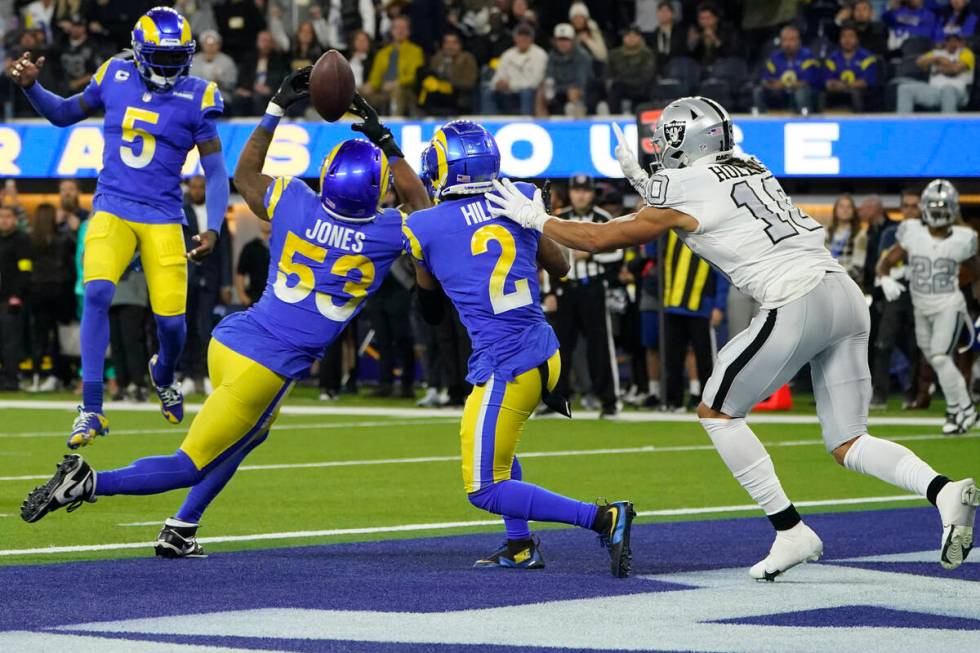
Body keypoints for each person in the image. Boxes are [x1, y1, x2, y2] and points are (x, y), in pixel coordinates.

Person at [486, 96, 979, 578]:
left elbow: (603, 237)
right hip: (843, 295)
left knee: (717, 412)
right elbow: (688, 209)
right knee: (849, 440)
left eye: (667, 139)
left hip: (796, 298)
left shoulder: (684, 183)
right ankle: (942, 490)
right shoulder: (750, 163)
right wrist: (640, 178)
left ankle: (790, 530)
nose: (661, 148)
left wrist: (538, 220)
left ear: (686, 141)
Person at [20, 78, 431, 560]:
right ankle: (87, 482)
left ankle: (182, 526)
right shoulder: (389, 231)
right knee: (190, 462)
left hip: (232, 338)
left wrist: (276, 107)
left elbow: (246, 173)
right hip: (268, 367)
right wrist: (386, 141)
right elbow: (420, 203)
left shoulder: (296, 200)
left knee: (253, 433)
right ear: (377, 193)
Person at [404, 120, 635, 577]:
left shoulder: (423, 226)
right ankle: (520, 545)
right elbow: (562, 265)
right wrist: (529, 218)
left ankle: (603, 518)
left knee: (483, 487)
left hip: (507, 363)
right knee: (501, 457)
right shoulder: (518, 196)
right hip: (543, 351)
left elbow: (428, 307)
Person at [9, 7, 229, 446]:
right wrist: (33, 87)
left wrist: (215, 227)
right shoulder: (114, 73)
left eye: (176, 57)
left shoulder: (199, 95)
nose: (169, 66)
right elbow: (64, 113)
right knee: (96, 293)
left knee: (172, 325)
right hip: (112, 204)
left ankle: (163, 373)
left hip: (165, 215)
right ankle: (91, 409)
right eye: (160, 57)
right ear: (140, 51)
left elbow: (216, 170)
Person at [877, 180, 980, 434]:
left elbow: (978, 272)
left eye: (942, 207)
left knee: (940, 356)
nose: (937, 212)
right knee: (935, 359)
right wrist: (885, 277)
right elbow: (886, 262)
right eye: (933, 206)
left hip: (949, 305)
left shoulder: (963, 238)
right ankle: (961, 410)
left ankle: (962, 409)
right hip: (920, 306)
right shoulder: (912, 232)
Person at [549, 175, 622, 417]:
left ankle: (609, 402)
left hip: (593, 288)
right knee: (560, 347)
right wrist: (549, 291)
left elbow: (616, 254)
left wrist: (589, 254)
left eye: (585, 191)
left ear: (592, 193)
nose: (581, 195)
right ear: (570, 192)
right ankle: (557, 401)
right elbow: (547, 256)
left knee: (599, 346)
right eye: (577, 190)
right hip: (565, 289)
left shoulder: (603, 219)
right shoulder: (560, 219)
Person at [181, 175, 233, 395]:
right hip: (187, 277)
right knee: (186, 327)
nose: (197, 191)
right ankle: (188, 376)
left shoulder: (216, 213)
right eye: (194, 187)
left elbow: (226, 251)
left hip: (210, 279)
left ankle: (206, 375)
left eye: (202, 187)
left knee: (206, 328)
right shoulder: (181, 212)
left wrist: (227, 283)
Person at [28, 203, 75, 392]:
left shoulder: (30, 238)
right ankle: (59, 375)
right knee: (59, 337)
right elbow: (73, 251)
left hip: (37, 291)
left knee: (40, 335)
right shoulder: (62, 238)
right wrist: (71, 228)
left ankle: (38, 376)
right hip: (59, 291)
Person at [897, 30, 975, 114]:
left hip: (957, 92)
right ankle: (903, 125)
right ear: (945, 42)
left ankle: (949, 124)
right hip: (935, 91)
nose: (952, 43)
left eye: (956, 41)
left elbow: (955, 70)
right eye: (949, 41)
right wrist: (938, 58)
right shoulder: (937, 53)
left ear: (962, 42)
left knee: (947, 89)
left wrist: (940, 67)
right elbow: (920, 63)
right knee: (905, 89)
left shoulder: (966, 53)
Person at [362, 16, 425, 117]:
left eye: (403, 28)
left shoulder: (416, 51)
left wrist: (396, 83)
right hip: (382, 90)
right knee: (357, 91)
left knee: (397, 91)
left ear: (408, 32)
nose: (400, 31)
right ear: (391, 31)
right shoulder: (382, 53)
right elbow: (375, 77)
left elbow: (414, 76)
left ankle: (395, 123)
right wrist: (371, 85)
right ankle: (353, 125)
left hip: (405, 91)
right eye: (396, 28)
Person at [482, 22, 547, 116]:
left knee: (527, 92)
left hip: (528, 93)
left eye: (526, 36)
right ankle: (489, 125)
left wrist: (511, 85)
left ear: (532, 39)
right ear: (515, 38)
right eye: (520, 36)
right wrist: (497, 84)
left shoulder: (540, 54)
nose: (523, 39)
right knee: (488, 92)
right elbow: (498, 76)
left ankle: (526, 121)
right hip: (507, 92)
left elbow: (535, 81)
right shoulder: (507, 54)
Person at [754, 24, 821, 114]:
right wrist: (771, 84)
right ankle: (761, 120)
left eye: (791, 40)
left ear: (799, 41)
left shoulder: (808, 56)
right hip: (779, 93)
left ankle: (804, 119)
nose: (787, 44)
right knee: (758, 91)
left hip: (802, 93)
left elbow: (807, 82)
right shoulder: (774, 57)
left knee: (801, 93)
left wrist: (785, 85)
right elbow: (766, 80)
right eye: (784, 40)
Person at [0, 206, 32, 392]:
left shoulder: (21, 240)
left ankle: (11, 379)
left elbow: (25, 270)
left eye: (7, 217)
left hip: (11, 300)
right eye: (1, 216)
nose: (4, 220)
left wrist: (17, 295)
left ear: (15, 219)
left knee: (10, 342)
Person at [536, 23, 593, 118]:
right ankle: (542, 123)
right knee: (542, 91)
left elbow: (581, 82)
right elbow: (550, 79)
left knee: (574, 92)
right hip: (560, 91)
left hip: (584, 92)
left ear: (573, 41)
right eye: (560, 40)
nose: (563, 43)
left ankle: (577, 123)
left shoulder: (582, 56)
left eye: (566, 40)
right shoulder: (552, 56)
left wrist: (563, 89)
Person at [418, 31, 478, 115]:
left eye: (454, 43)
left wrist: (449, 84)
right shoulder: (437, 59)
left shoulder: (467, 59)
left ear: (460, 45)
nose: (450, 46)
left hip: (458, 99)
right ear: (443, 45)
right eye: (447, 43)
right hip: (436, 99)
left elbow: (470, 83)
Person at [823, 24, 879, 113]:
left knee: (855, 93)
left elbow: (865, 82)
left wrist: (845, 86)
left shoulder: (867, 58)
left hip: (860, 94)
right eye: (844, 36)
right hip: (837, 93)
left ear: (857, 39)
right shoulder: (832, 59)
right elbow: (828, 81)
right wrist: (833, 85)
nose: (847, 40)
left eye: (851, 36)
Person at [233, 31, 290, 117]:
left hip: (270, 92)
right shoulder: (249, 59)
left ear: (272, 44)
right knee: (237, 99)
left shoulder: (278, 60)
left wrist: (270, 89)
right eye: (263, 41)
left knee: (258, 98)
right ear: (257, 42)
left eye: (268, 41)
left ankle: (260, 126)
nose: (265, 44)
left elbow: (281, 79)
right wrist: (252, 87)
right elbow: (242, 78)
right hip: (249, 90)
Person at [605, 24, 656, 113]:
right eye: (628, 35)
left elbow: (647, 75)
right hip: (621, 86)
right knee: (615, 88)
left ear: (639, 37)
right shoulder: (614, 54)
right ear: (623, 38)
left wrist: (624, 78)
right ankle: (615, 118)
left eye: (634, 35)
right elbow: (609, 73)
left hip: (640, 86)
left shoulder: (647, 54)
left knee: (647, 88)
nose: (631, 38)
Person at [825, 193, 867, 283]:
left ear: (853, 211)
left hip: (848, 284)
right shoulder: (827, 233)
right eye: (841, 207)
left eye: (848, 207)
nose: (845, 210)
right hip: (827, 283)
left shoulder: (859, 234)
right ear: (835, 210)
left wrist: (838, 281)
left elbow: (858, 267)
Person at [189, 30, 238, 107]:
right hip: (198, 96)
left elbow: (232, 84)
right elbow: (190, 81)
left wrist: (219, 80)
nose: (210, 47)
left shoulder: (227, 61)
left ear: (218, 45)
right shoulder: (194, 60)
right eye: (207, 44)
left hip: (221, 96)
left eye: (213, 44)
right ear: (202, 45)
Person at [235, 219, 271, 309]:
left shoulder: (281, 246)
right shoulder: (250, 247)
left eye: (269, 219)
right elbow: (240, 273)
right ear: (259, 221)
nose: (266, 222)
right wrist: (242, 297)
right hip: (255, 298)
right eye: (263, 219)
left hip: (277, 298)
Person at [648, 1, 686, 69]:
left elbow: (682, 52)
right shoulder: (653, 35)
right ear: (657, 14)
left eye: (667, 11)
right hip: (657, 69)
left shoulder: (681, 33)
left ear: (672, 14)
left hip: (676, 67)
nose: (663, 14)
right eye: (661, 11)